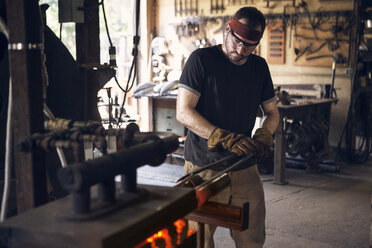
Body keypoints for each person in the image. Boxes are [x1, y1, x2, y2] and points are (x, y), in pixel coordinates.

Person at [176, 6, 279, 248]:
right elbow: (183, 111)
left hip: (244, 166)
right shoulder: (201, 60)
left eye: (249, 45)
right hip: (204, 165)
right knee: (198, 240)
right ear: (227, 30)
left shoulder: (259, 67)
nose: (241, 50)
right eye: (237, 40)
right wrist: (220, 136)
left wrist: (265, 134)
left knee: (252, 237)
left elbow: (273, 112)